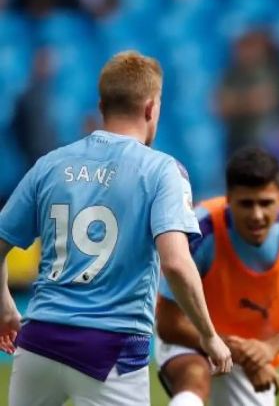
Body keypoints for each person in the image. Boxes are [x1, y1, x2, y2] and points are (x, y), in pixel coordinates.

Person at [0, 50, 231, 406]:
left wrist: (5, 307)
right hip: (108, 349)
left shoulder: (50, 164)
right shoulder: (161, 171)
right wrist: (209, 335)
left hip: (38, 342)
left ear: (102, 104)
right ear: (152, 107)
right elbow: (175, 263)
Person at [156, 147, 279, 406]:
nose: (257, 215)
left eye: (266, 203)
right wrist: (241, 352)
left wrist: (268, 349)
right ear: (228, 199)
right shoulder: (201, 230)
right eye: (246, 204)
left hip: (253, 350)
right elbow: (169, 324)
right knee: (194, 377)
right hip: (193, 336)